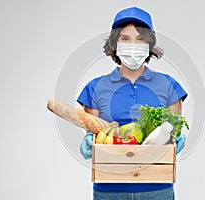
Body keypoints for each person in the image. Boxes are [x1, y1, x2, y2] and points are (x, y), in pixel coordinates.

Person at [78, 7, 187, 200]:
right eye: (125, 39)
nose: (133, 45)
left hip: (157, 190)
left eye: (140, 39)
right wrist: (89, 141)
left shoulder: (169, 86)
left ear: (149, 44)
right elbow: (94, 134)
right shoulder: (95, 88)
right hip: (109, 190)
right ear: (114, 43)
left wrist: (176, 140)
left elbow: (174, 132)